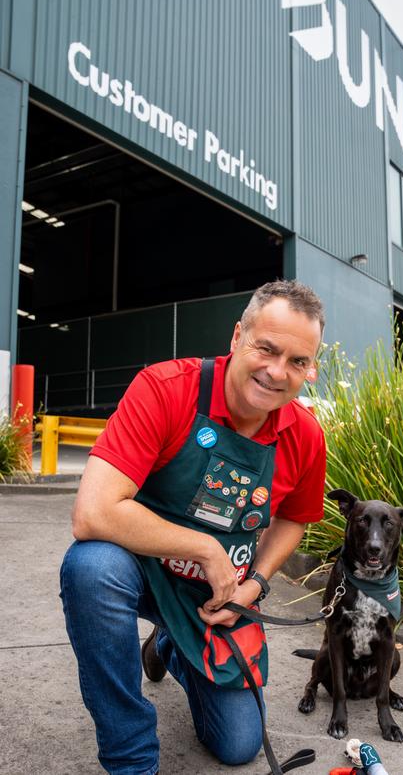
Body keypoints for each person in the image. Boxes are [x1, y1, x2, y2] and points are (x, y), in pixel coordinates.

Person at [60, 280, 327, 775]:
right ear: (236, 336)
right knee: (91, 567)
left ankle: (170, 645)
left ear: (310, 367)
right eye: (266, 348)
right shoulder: (165, 388)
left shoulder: (306, 436)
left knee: (238, 744)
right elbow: (93, 511)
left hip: (216, 599)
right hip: (138, 572)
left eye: (297, 361)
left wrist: (256, 585)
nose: (277, 372)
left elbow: (295, 518)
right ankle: (131, 757)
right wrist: (204, 547)